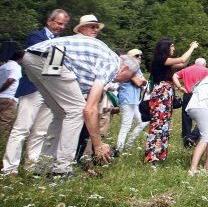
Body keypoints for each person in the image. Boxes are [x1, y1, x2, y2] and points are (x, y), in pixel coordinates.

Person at [21, 18, 139, 176]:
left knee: (61, 113)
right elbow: (88, 109)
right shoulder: (111, 63)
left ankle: (44, 165)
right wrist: (97, 145)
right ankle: (62, 168)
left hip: (33, 57)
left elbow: (89, 103)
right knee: (76, 111)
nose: (120, 81)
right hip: (49, 57)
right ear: (124, 67)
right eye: (126, 77)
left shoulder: (97, 59)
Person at [2, 9, 68, 175]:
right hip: (33, 88)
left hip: (51, 91)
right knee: (21, 128)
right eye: (59, 23)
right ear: (49, 21)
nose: (61, 27)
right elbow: (40, 53)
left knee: (40, 132)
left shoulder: (62, 42)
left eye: (64, 25)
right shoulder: (36, 36)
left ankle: (31, 167)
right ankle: (10, 168)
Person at [144, 37, 198, 165]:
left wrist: (191, 52)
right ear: (166, 47)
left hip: (166, 94)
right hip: (161, 95)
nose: (173, 48)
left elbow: (183, 64)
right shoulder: (161, 59)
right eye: (172, 46)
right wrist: (192, 47)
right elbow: (182, 59)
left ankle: (159, 154)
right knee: (158, 124)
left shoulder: (165, 62)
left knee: (164, 125)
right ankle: (153, 157)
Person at [115, 49, 149, 151]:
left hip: (134, 100)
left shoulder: (136, 69)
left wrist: (142, 81)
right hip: (127, 99)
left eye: (140, 55)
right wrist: (142, 81)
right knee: (126, 125)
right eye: (137, 55)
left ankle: (128, 144)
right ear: (130, 57)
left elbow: (143, 82)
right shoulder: (129, 68)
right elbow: (139, 83)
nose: (139, 57)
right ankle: (119, 149)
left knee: (142, 121)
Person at [173, 58, 208, 147]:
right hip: (200, 96)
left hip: (187, 94)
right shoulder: (206, 70)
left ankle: (186, 138)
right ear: (204, 64)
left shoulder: (186, 69)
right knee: (202, 117)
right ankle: (194, 136)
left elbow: (175, 76)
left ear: (195, 63)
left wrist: (179, 86)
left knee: (186, 117)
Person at [0, 51, 24, 135]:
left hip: (1, 97)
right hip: (9, 97)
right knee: (6, 121)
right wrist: (2, 89)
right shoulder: (16, 67)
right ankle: (2, 141)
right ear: (21, 58)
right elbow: (11, 79)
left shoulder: (3, 66)